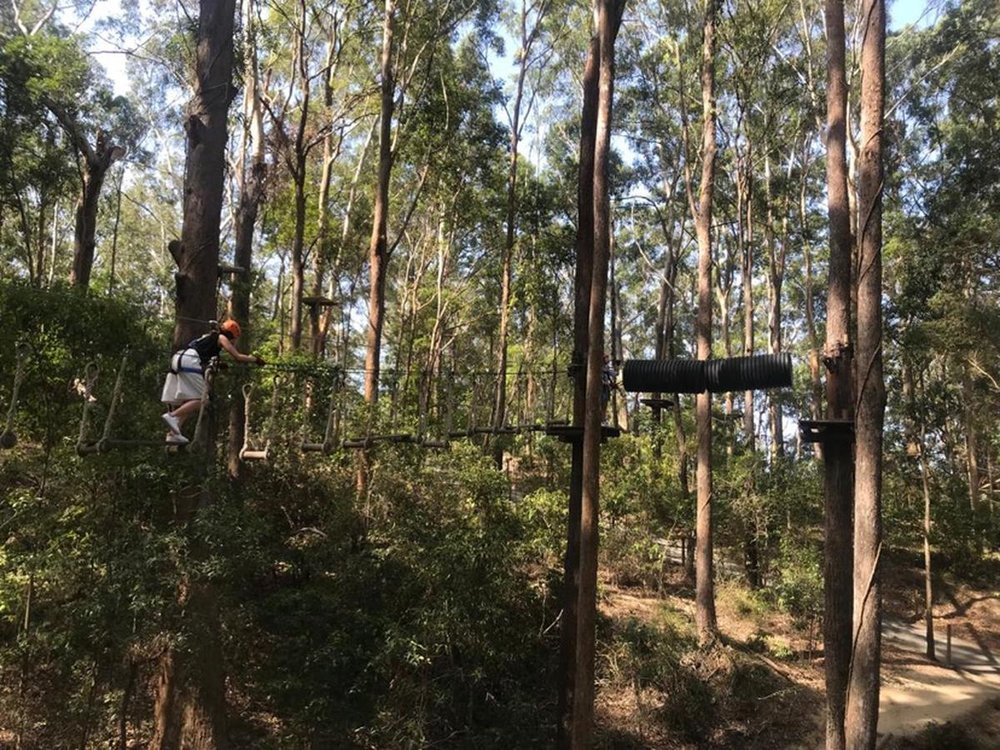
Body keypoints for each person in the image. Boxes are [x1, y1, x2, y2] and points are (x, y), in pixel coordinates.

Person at [160, 319, 265, 444]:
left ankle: (173, 434)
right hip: (190, 360)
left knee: (190, 401)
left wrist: (220, 365)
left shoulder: (209, 337)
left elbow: (204, 354)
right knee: (202, 399)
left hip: (180, 358)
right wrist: (255, 360)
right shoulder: (221, 337)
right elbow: (237, 356)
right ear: (231, 334)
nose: (233, 342)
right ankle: (173, 416)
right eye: (234, 338)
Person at [601, 353, 618, 421]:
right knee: (600, 404)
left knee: (605, 404)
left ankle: (603, 418)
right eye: (606, 358)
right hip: (601, 389)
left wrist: (617, 368)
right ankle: (600, 419)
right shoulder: (598, 368)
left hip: (606, 389)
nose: (608, 360)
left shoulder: (607, 368)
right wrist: (606, 383)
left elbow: (614, 374)